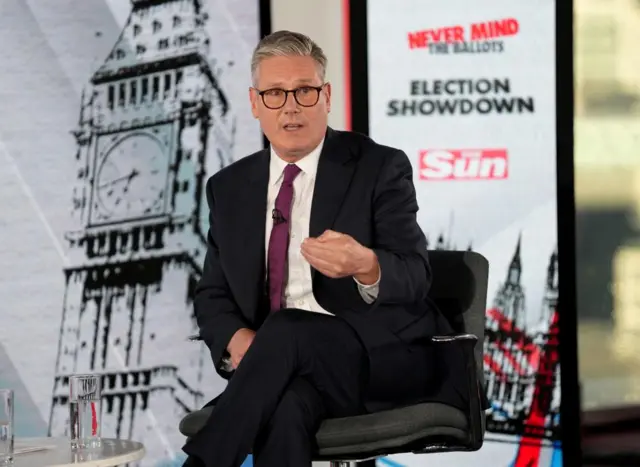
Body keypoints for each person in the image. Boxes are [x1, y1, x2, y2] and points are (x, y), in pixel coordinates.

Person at [182, 30, 471, 467]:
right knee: (287, 408)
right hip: (280, 366)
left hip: (376, 358)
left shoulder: (379, 167)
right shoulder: (230, 188)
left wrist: (367, 265)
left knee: (287, 329)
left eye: (304, 90)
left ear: (327, 96)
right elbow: (213, 294)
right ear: (255, 103)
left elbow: (416, 274)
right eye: (275, 93)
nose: (291, 105)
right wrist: (237, 340)